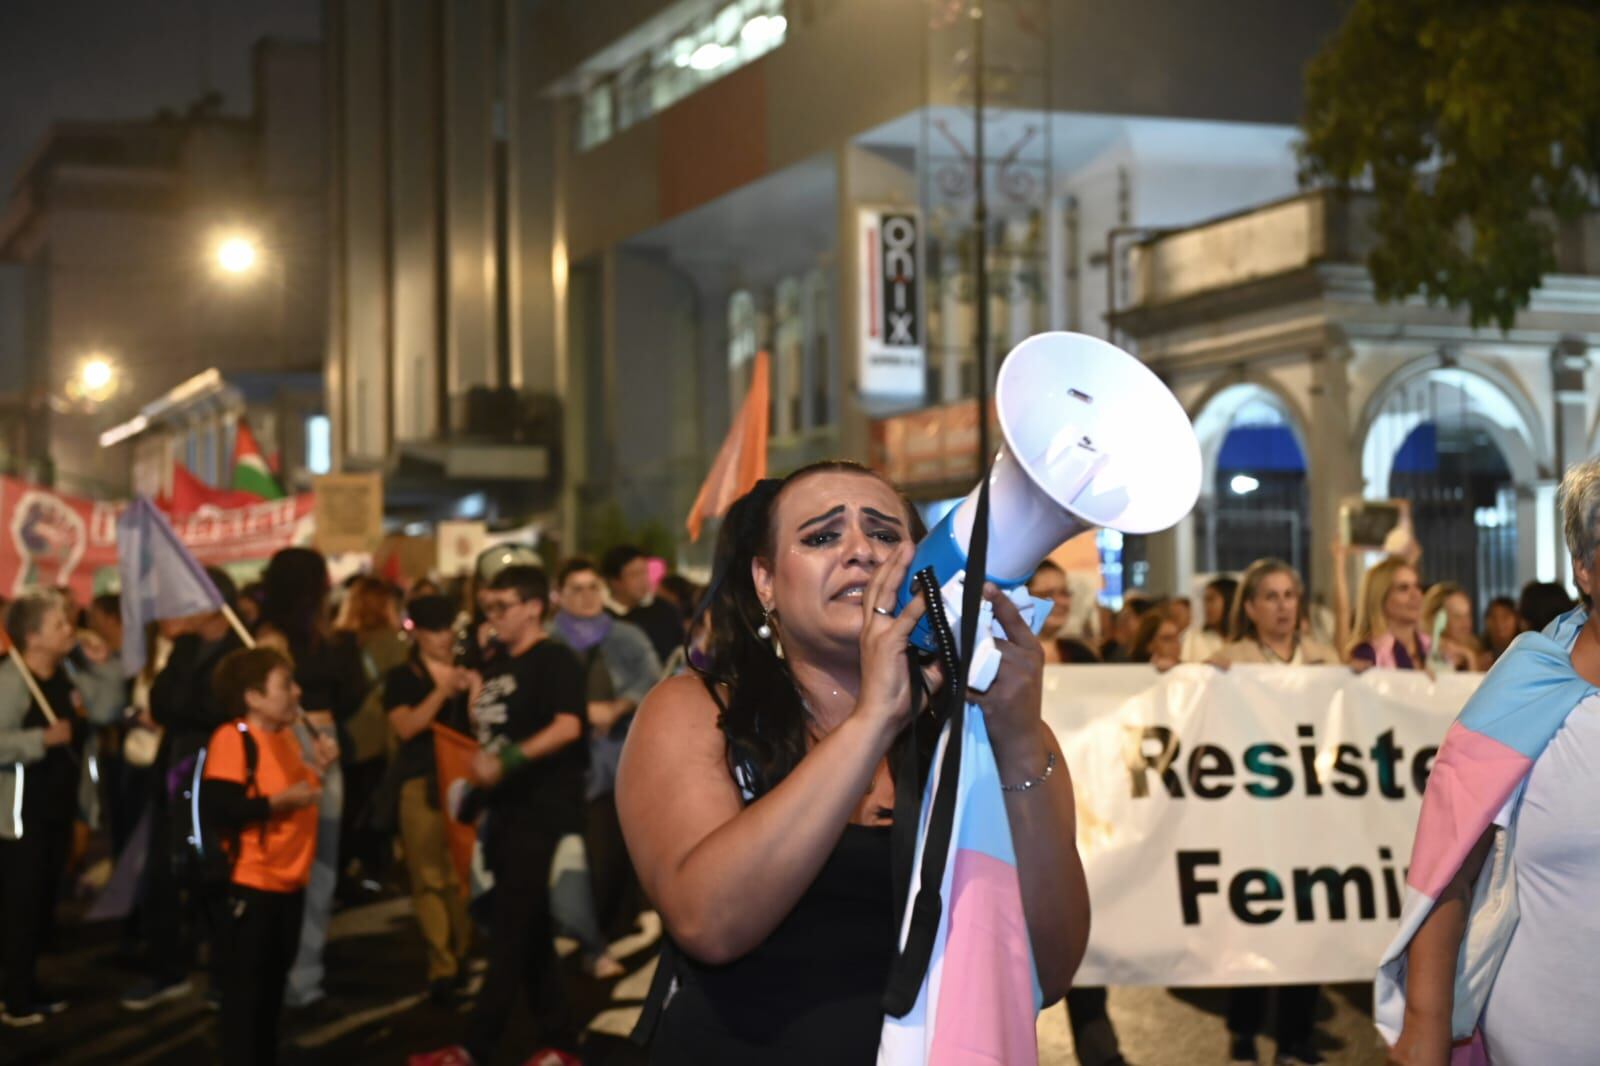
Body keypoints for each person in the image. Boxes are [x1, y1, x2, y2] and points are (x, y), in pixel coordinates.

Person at [616, 461, 1089, 1062]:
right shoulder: (695, 712)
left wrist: (1019, 741)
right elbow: (708, 923)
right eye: (821, 536)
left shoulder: (987, 730)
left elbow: (1051, 968)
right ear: (766, 581)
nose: (861, 551)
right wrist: (873, 722)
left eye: (885, 534)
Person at [1379, 457, 1600, 1064]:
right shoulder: (1527, 688)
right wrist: (1425, 1023)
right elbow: (1452, 862)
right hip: (1547, 1042)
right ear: (1584, 567)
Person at [430, 564, 587, 1065]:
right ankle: (560, 1041)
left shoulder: (554, 660)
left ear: (533, 607)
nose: (492, 616)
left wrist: (510, 760)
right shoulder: (497, 663)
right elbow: (484, 724)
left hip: (539, 810)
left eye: (501, 606)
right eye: (487, 608)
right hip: (502, 811)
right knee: (529, 932)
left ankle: (474, 1046)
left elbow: (568, 726)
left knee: (511, 932)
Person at [1209, 559, 1336, 1065]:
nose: (1283, 606)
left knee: (1308, 921)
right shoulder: (1231, 659)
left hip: (1310, 817)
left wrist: (1360, 683)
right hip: (1255, 815)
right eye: (1271, 597)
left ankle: (1294, 1037)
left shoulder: (1324, 658)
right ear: (1250, 607)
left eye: (1289, 595)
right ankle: (1243, 1030)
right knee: (1255, 917)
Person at [121, 569, 248, 1011]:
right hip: (173, 771)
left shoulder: (240, 649)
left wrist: (185, 707)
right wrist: (185, 707)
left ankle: (224, 976)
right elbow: (162, 702)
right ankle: (165, 969)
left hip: (215, 775)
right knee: (162, 871)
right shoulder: (186, 647)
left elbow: (218, 708)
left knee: (214, 874)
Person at [204, 647, 334, 1066]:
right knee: (247, 1002)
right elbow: (219, 807)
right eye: (285, 685)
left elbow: (302, 798)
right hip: (253, 884)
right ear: (253, 696)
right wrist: (274, 804)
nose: (297, 692)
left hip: (290, 882)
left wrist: (321, 769)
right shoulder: (233, 738)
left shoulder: (285, 738)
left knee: (271, 996)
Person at [0, 590, 124, 1026]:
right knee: (20, 905)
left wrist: (104, 663)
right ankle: (15, 998)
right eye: (59, 624)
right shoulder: (10, 680)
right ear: (32, 637)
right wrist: (40, 740)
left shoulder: (69, 673)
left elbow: (107, 709)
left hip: (60, 809)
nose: (70, 630)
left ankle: (27, 987)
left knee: (42, 903)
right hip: (19, 816)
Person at [256, 547, 367, 1011]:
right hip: (318, 742)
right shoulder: (332, 641)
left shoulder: (270, 640)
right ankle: (303, 975)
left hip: (292, 744)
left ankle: (277, 972)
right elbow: (356, 694)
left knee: (284, 861)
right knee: (317, 865)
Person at [551, 557, 662, 974]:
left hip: (617, 765)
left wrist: (618, 706)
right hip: (561, 769)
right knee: (576, 859)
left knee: (610, 854)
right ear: (560, 595)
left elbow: (653, 681)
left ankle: (601, 935)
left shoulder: (626, 637)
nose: (586, 597)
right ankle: (587, 940)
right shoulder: (549, 643)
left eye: (592, 588)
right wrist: (582, 713)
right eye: (576, 589)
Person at [381, 595, 474, 1003]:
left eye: (448, 628)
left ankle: (464, 950)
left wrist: (472, 687)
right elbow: (406, 727)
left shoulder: (470, 667)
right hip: (420, 783)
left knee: (462, 872)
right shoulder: (403, 677)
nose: (444, 637)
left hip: (463, 781)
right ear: (416, 633)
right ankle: (443, 964)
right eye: (435, 630)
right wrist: (442, 692)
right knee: (429, 877)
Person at [334, 575, 409, 895]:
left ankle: (348, 872)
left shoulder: (339, 642)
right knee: (376, 805)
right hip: (377, 737)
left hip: (346, 735)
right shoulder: (392, 643)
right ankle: (375, 873)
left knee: (350, 807)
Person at [602, 544, 684, 664]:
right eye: (635, 574)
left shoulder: (665, 610)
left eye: (645, 572)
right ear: (615, 582)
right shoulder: (602, 617)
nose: (643, 580)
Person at [1346, 557, 1429, 670]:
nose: (1416, 595)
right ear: (1380, 597)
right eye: (1403, 588)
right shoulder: (1368, 653)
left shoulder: (1434, 648)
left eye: (1417, 586)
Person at [1027, 560, 1100, 663]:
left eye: (1064, 593)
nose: (1060, 602)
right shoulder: (1006, 656)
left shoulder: (1081, 655)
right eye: (1047, 594)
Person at [1421, 581, 1484, 672]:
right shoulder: (1425, 651)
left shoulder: (1476, 649)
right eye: (1457, 616)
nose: (1466, 623)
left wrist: (1469, 657)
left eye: (1467, 615)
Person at [1181, 576, 1238, 662]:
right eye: (1205, 601)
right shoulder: (1194, 638)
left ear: (1230, 601)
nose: (1206, 606)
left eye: (1211, 600)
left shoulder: (1246, 640)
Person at [1481, 595, 1521, 666]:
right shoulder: (1477, 650)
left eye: (1505, 617)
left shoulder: (1524, 652)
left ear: (1516, 619)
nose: (1499, 623)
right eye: (1494, 617)